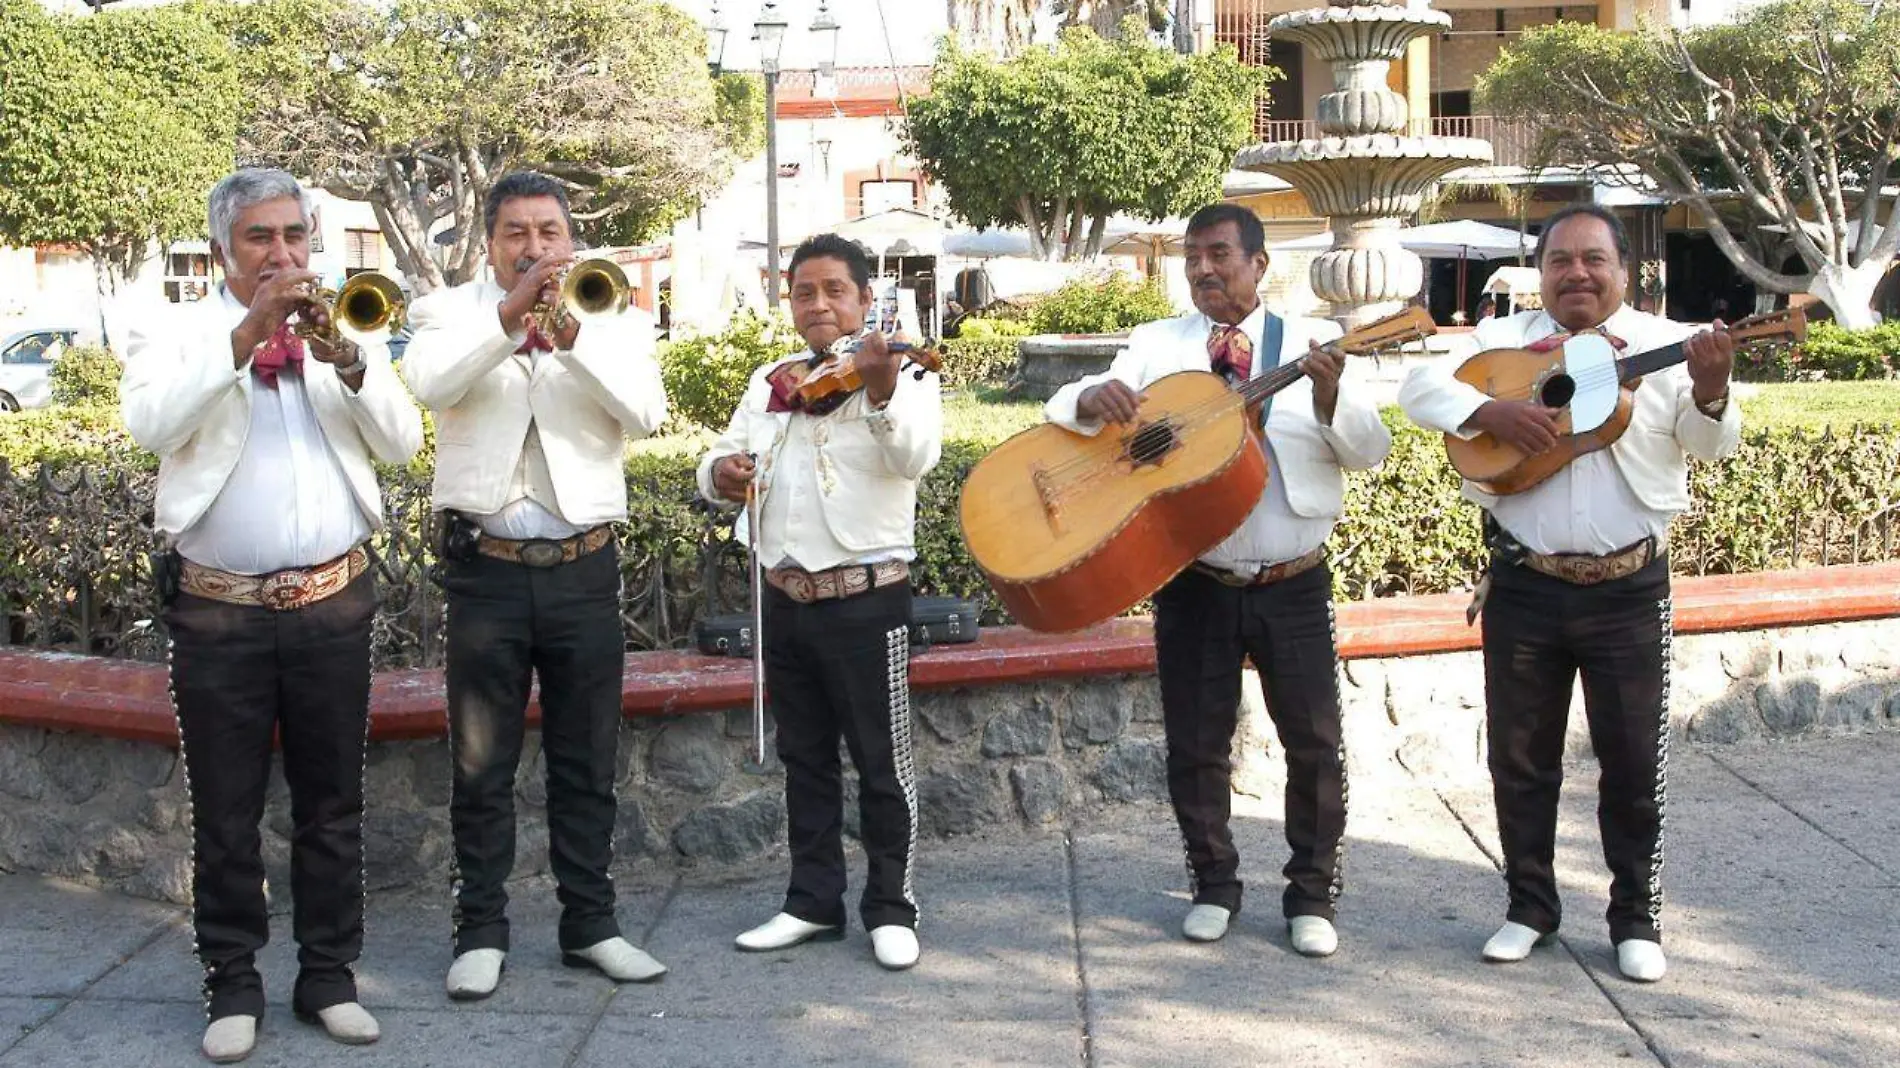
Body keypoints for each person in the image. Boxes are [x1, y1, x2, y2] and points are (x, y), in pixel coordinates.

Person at [121, 167, 424, 1063]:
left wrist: (355, 363)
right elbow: (150, 426)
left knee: (333, 805)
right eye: (261, 238)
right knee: (225, 811)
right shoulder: (174, 329)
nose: (283, 254)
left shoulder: (342, 326)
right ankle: (233, 983)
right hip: (219, 612)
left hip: (332, 602)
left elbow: (403, 444)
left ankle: (329, 976)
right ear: (223, 248)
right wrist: (244, 335)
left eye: (295, 236)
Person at [1398, 205, 1739, 983]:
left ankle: (1636, 920)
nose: (1576, 273)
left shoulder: (1669, 345)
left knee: (1632, 763)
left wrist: (1713, 390)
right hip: (1525, 584)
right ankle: (1528, 908)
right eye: (1560, 260)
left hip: (1628, 588)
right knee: (1520, 761)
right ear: (1542, 270)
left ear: (1625, 270)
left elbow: (1711, 446)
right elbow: (1418, 387)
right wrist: (1489, 410)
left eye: (1593, 259)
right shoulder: (1502, 343)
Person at [1045, 204, 1392, 956]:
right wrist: (1086, 399)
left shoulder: (1309, 344)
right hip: (1195, 577)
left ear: (1259, 264)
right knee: (1196, 746)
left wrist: (1329, 397)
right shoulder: (1154, 343)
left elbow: (1370, 449)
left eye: (1221, 255)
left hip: (1293, 580)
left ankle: (1311, 896)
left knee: (1314, 745)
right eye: (1193, 257)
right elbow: (1061, 410)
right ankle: (1212, 884)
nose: (1204, 269)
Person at [400, 172, 670, 1000]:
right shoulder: (448, 313)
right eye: (515, 231)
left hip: (583, 566)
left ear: (571, 241)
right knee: (481, 763)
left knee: (585, 759)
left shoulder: (611, 315)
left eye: (548, 231)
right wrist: (507, 319)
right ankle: (479, 931)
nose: (534, 246)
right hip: (486, 570)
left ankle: (590, 924)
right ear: (489, 242)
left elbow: (648, 415)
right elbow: (430, 386)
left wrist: (575, 339)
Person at [697, 233, 943, 972]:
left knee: (881, 762)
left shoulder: (905, 375)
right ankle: (810, 903)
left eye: (836, 290)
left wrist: (877, 388)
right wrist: (723, 471)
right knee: (804, 759)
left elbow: (913, 457)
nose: (819, 304)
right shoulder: (770, 380)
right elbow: (722, 459)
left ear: (866, 300)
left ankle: (892, 908)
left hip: (867, 598)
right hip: (785, 595)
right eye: (805, 291)